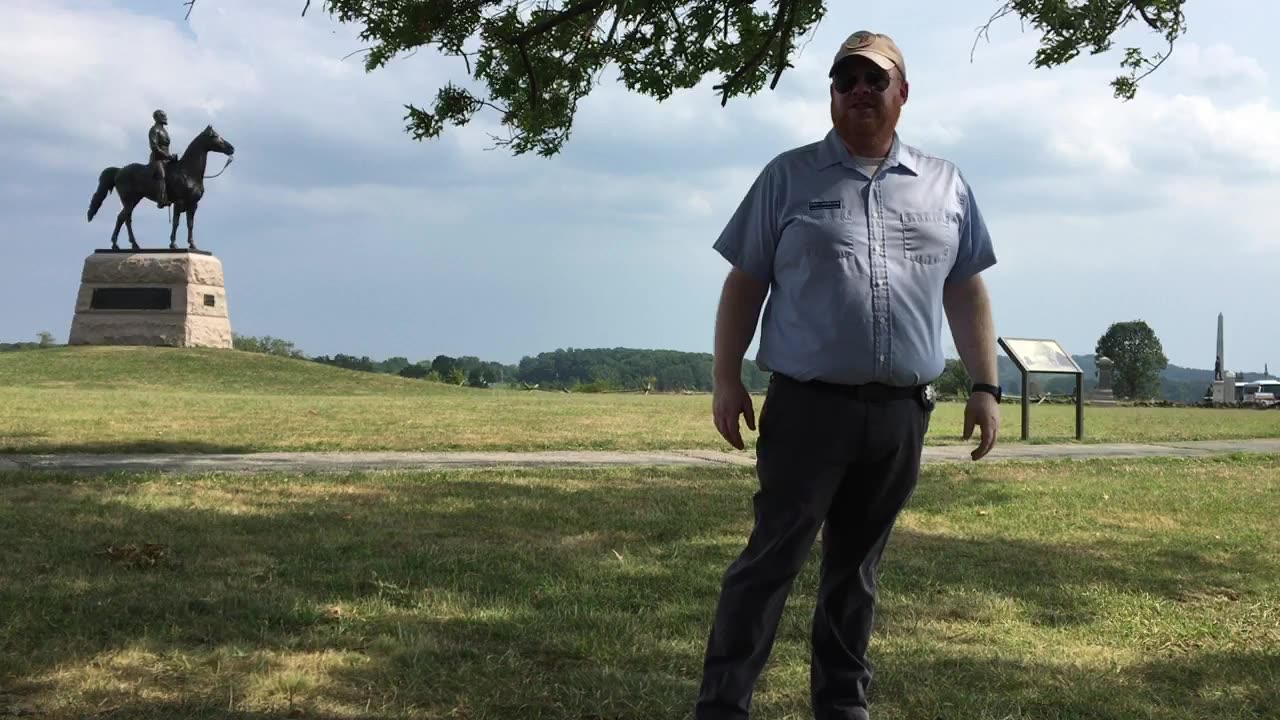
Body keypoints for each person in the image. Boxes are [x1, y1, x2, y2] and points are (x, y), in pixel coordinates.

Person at [696, 30, 1002, 720]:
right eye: (846, 80)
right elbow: (744, 284)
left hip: (901, 414)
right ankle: (722, 706)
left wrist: (984, 385)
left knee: (856, 571)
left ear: (903, 92)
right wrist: (726, 377)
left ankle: (841, 705)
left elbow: (966, 290)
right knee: (770, 562)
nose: (860, 91)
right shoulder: (788, 176)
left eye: (875, 79)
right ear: (831, 94)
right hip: (807, 410)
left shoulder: (946, 183)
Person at [148, 109, 177, 209]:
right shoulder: (154, 130)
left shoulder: (163, 130)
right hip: (157, 159)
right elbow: (154, 147)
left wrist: (171, 157)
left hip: (166, 158)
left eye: (165, 115)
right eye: (163, 116)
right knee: (162, 175)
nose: (166, 118)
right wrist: (168, 156)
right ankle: (161, 200)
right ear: (158, 118)